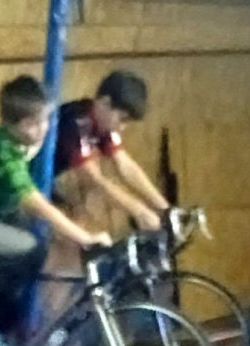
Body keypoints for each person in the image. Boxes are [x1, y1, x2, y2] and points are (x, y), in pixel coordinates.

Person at [0, 75, 110, 335]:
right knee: (31, 252)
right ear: (11, 124)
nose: (42, 129)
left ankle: (7, 314)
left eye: (45, 120)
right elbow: (35, 202)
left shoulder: (22, 141)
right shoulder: (4, 152)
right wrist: (85, 237)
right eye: (32, 124)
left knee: (42, 243)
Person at [51, 71, 169, 242]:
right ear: (104, 103)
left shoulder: (101, 122)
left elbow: (126, 166)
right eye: (122, 119)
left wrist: (165, 208)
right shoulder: (77, 121)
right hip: (26, 182)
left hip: (45, 182)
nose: (122, 127)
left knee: (75, 217)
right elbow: (93, 178)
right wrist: (138, 211)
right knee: (70, 228)